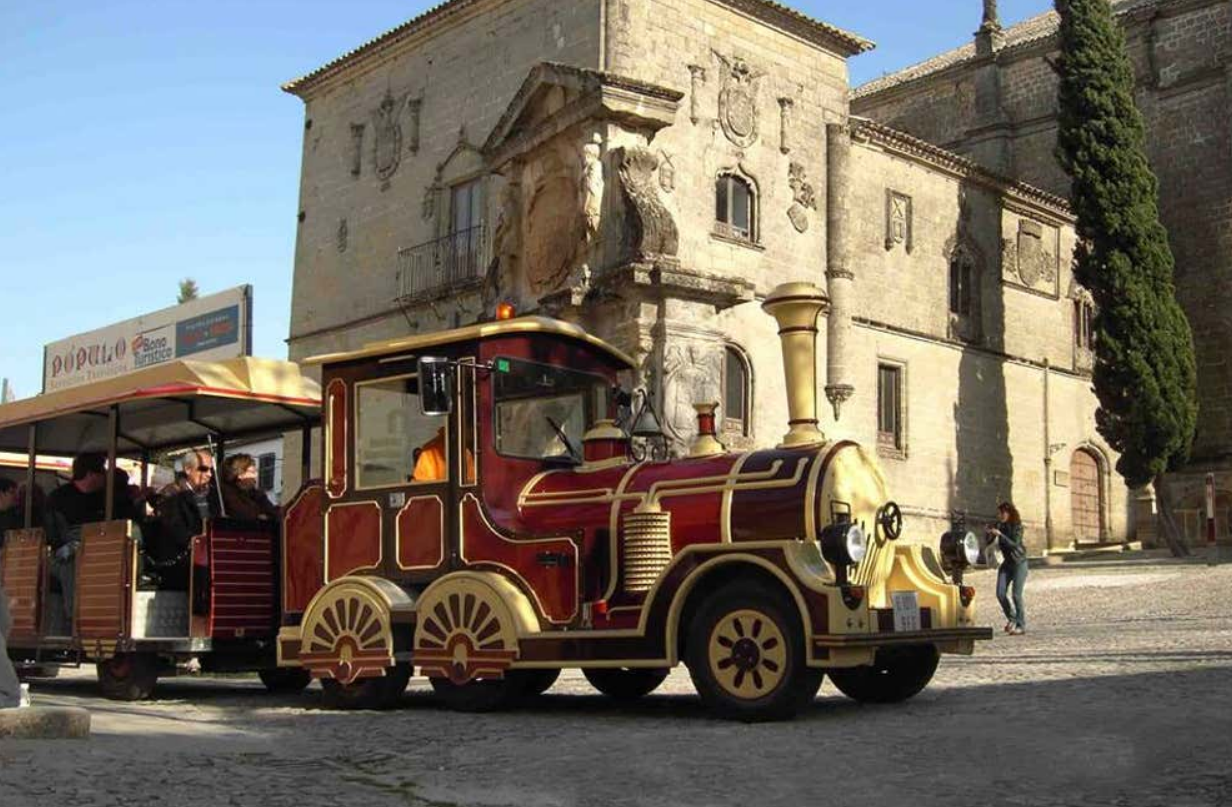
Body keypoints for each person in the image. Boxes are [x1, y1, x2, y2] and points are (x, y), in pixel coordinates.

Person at [45, 453, 109, 624]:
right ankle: (75, 618)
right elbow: (51, 533)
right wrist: (64, 547)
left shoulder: (105, 498)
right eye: (103, 472)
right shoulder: (58, 497)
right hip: (59, 553)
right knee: (71, 565)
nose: (105, 477)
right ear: (90, 474)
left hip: (96, 549)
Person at [152, 449, 219, 581]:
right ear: (188, 470)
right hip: (181, 556)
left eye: (211, 470)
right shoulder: (171, 493)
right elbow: (175, 528)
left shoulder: (213, 495)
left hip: (208, 554)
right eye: (204, 469)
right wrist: (198, 542)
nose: (209, 474)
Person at [987, 501, 1029, 635]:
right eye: (999, 513)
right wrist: (989, 533)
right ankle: (1012, 618)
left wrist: (1001, 535)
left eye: (1002, 513)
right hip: (1007, 564)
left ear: (1009, 513)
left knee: (1016, 595)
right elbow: (989, 542)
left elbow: (1015, 544)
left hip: (1019, 563)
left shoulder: (1018, 527)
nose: (1000, 516)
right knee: (1000, 593)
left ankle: (1020, 624)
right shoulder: (1000, 525)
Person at [220, 453, 279, 521]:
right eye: (252, 472)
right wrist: (258, 515)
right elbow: (243, 514)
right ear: (240, 474)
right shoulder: (227, 492)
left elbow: (275, 514)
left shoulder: (257, 494)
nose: (256, 475)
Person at [0, 478, 22, 547]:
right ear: (1, 493)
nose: (15, 496)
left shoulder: (12, 514)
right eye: (12, 492)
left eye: (16, 493)